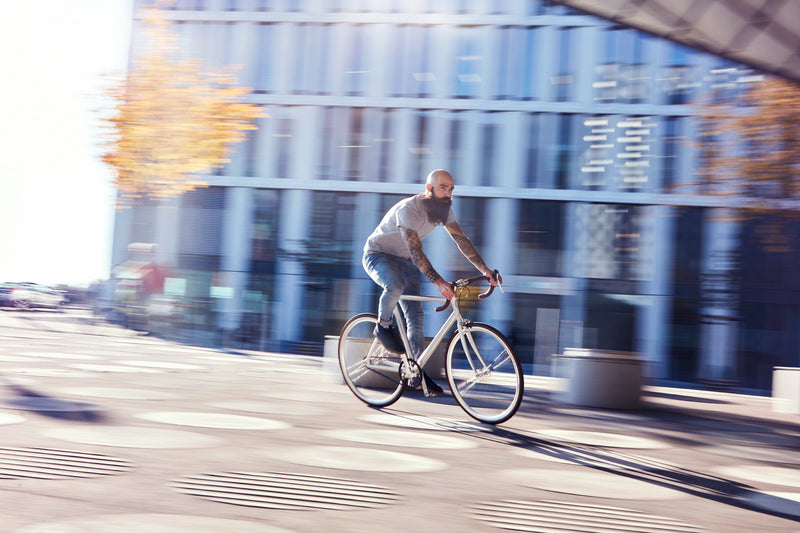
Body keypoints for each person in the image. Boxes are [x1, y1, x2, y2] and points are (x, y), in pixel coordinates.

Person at [362, 169, 499, 395]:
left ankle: (414, 370)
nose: (449, 194)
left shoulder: (443, 211)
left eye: (451, 189)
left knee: (416, 316)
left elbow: (461, 239)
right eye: (443, 188)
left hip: (404, 261)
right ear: (429, 189)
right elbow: (417, 252)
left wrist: (485, 270)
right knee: (394, 286)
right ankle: (382, 326)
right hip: (378, 255)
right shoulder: (409, 210)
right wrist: (439, 282)